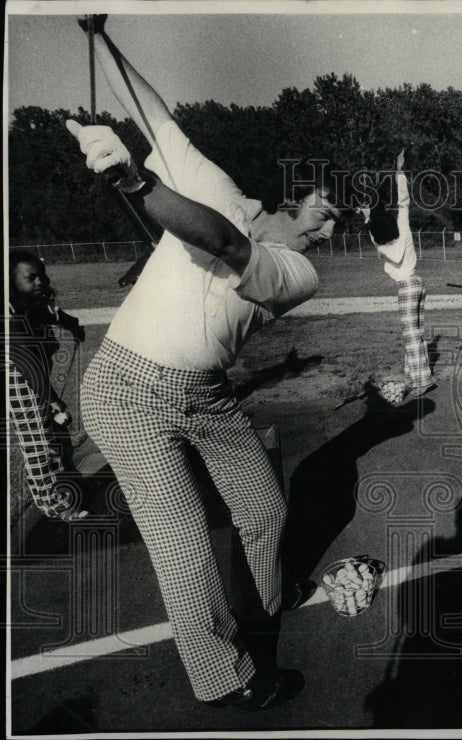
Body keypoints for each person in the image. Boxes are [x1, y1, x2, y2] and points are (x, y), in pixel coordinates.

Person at [67, 16, 341, 709]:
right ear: (291, 198)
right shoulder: (214, 183)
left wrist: (134, 182)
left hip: (207, 395)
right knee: (186, 541)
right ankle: (228, 679)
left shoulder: (298, 272)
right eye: (327, 211)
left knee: (264, 508)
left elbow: (221, 240)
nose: (333, 226)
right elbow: (156, 119)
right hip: (125, 391)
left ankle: (264, 607)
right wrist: (102, 37)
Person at [6, 251, 89, 521]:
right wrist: (52, 401)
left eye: (42, 275)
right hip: (19, 382)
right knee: (39, 443)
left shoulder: (33, 303)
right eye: (31, 278)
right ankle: (55, 505)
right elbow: (27, 364)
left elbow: (56, 317)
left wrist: (69, 323)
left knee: (57, 434)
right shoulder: (10, 317)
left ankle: (69, 484)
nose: (40, 281)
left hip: (35, 378)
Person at [360, 150, 435, 401]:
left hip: (406, 287)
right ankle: (416, 375)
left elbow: (375, 235)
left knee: (410, 335)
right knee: (417, 332)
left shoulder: (382, 245)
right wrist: (399, 171)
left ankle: (422, 380)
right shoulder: (402, 227)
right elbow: (403, 201)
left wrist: (368, 217)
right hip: (418, 282)